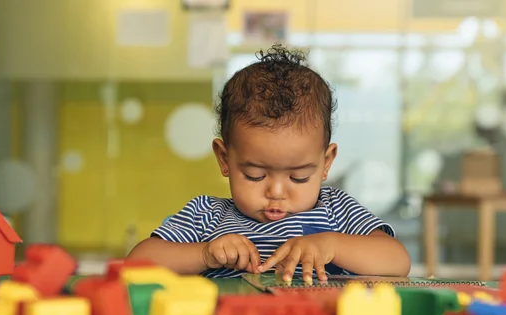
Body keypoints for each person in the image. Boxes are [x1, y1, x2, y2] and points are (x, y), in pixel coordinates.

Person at [127, 44, 411, 283]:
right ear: (224, 159)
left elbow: (397, 261)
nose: (276, 192)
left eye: (298, 177)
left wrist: (333, 245)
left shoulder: (336, 211)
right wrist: (204, 254)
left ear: (325, 163)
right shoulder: (207, 215)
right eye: (254, 175)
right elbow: (137, 263)